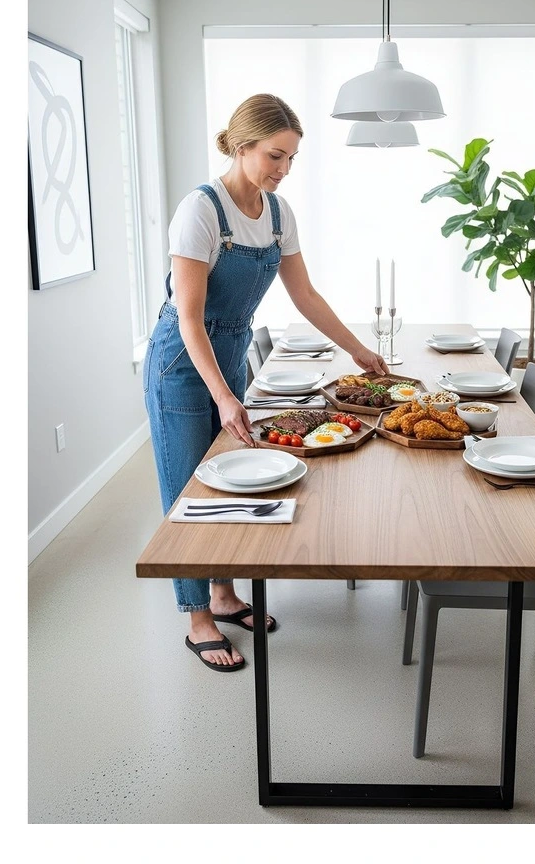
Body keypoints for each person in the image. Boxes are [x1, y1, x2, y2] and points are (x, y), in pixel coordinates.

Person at [144, 93, 388, 672]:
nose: (282, 170)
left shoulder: (278, 214)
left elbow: (304, 295)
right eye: (274, 156)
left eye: (291, 160)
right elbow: (188, 316)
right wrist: (226, 394)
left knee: (230, 479)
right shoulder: (200, 210)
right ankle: (197, 616)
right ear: (242, 144)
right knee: (190, 489)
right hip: (184, 361)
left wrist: (357, 350)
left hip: (230, 354)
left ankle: (224, 596)